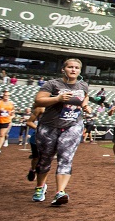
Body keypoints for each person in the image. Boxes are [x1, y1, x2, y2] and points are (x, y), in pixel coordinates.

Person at [31, 58, 90, 206]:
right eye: (70, 67)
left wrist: (85, 106)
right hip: (49, 125)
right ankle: (40, 187)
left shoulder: (83, 85)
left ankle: (60, 192)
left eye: (76, 68)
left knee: (66, 156)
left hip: (73, 125)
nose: (73, 70)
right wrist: (57, 98)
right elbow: (38, 100)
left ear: (80, 71)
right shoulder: (52, 84)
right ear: (63, 69)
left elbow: (85, 97)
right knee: (45, 159)